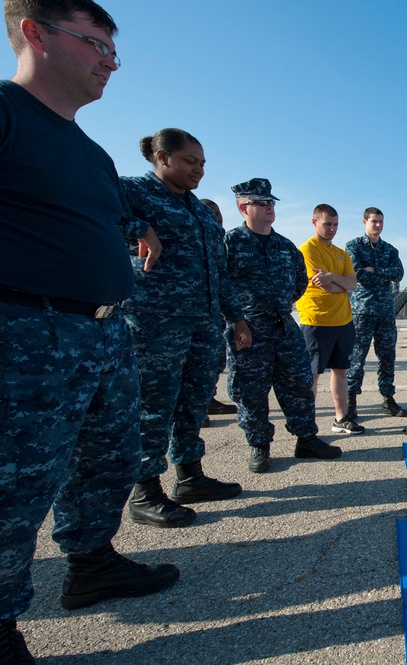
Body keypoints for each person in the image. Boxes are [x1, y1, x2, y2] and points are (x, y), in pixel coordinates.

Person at [0, 2, 179, 660]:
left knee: (107, 462)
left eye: (113, 50)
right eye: (95, 44)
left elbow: (109, 223)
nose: (111, 61)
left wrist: (142, 230)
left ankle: (91, 561)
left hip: (103, 335)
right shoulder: (7, 115)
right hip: (26, 336)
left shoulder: (91, 153)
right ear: (35, 33)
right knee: (12, 488)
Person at [118, 129, 251, 528]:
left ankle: (190, 475)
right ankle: (145, 491)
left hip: (203, 322)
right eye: (191, 162)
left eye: (203, 163)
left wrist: (237, 317)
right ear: (161, 157)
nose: (199, 170)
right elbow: (87, 209)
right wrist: (137, 227)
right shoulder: (132, 191)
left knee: (193, 401)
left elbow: (219, 272)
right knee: (154, 405)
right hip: (155, 321)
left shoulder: (197, 209)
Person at [224, 178, 342, 473]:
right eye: (261, 203)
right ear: (243, 207)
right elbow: (219, 284)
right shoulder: (229, 243)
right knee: (251, 389)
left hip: (283, 326)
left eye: (271, 203)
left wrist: (280, 303)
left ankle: (306, 439)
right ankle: (259, 445)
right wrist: (238, 317)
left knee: (299, 384)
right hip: (247, 328)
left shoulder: (285, 247)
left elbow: (299, 283)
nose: (268, 208)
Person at [295, 204, 364, 434]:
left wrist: (334, 278)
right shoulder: (307, 250)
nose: (332, 229)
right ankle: (307, 426)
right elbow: (323, 285)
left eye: (335, 225)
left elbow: (352, 284)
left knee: (341, 371)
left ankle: (341, 419)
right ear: (314, 222)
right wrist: (338, 283)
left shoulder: (341, 253)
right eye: (327, 224)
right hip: (316, 321)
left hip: (343, 321)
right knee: (312, 374)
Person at [345, 207, 407, 419]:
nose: (378, 225)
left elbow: (398, 273)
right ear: (364, 222)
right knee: (357, 357)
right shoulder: (353, 246)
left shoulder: (390, 250)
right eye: (374, 221)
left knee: (387, 356)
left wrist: (375, 271)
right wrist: (379, 276)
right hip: (362, 311)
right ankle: (351, 400)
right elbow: (357, 274)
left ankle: (388, 399)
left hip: (385, 312)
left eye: (381, 221)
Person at [200, 197, 239, 420]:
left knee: (217, 359)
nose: (217, 218)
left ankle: (209, 400)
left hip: (223, 312)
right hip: (201, 311)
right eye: (211, 213)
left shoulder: (225, 241)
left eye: (218, 213)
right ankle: (197, 408)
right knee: (198, 364)